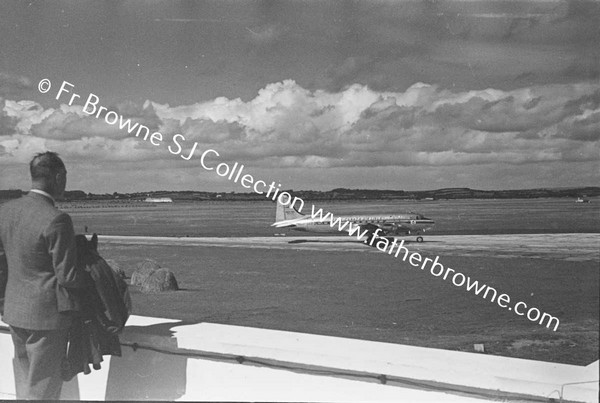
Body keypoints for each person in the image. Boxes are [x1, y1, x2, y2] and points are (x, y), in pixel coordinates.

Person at [0, 151, 90, 400]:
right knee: (44, 392)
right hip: (47, 319)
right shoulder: (57, 219)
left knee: (25, 386)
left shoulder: (6, 211)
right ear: (58, 177)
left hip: (16, 313)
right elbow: (68, 277)